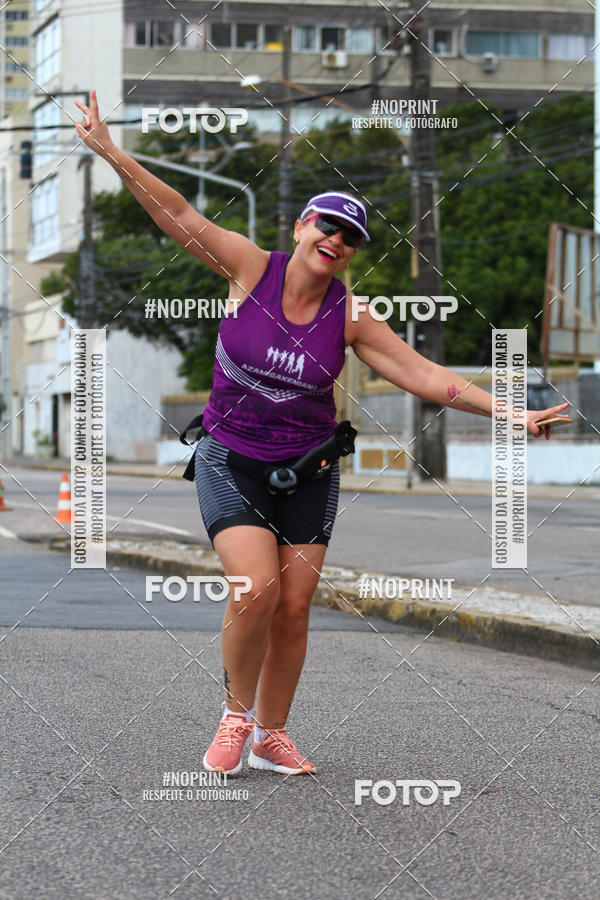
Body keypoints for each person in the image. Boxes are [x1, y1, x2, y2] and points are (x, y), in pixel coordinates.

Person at [75, 91, 570, 777]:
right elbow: (180, 214)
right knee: (257, 590)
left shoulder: (352, 316)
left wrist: (512, 412)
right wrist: (109, 151)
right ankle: (233, 716)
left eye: (349, 238)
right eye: (327, 226)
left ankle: (271, 733)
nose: (335, 241)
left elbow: (425, 374)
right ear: (303, 225)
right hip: (231, 460)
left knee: (296, 608)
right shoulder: (251, 268)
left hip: (307, 467)